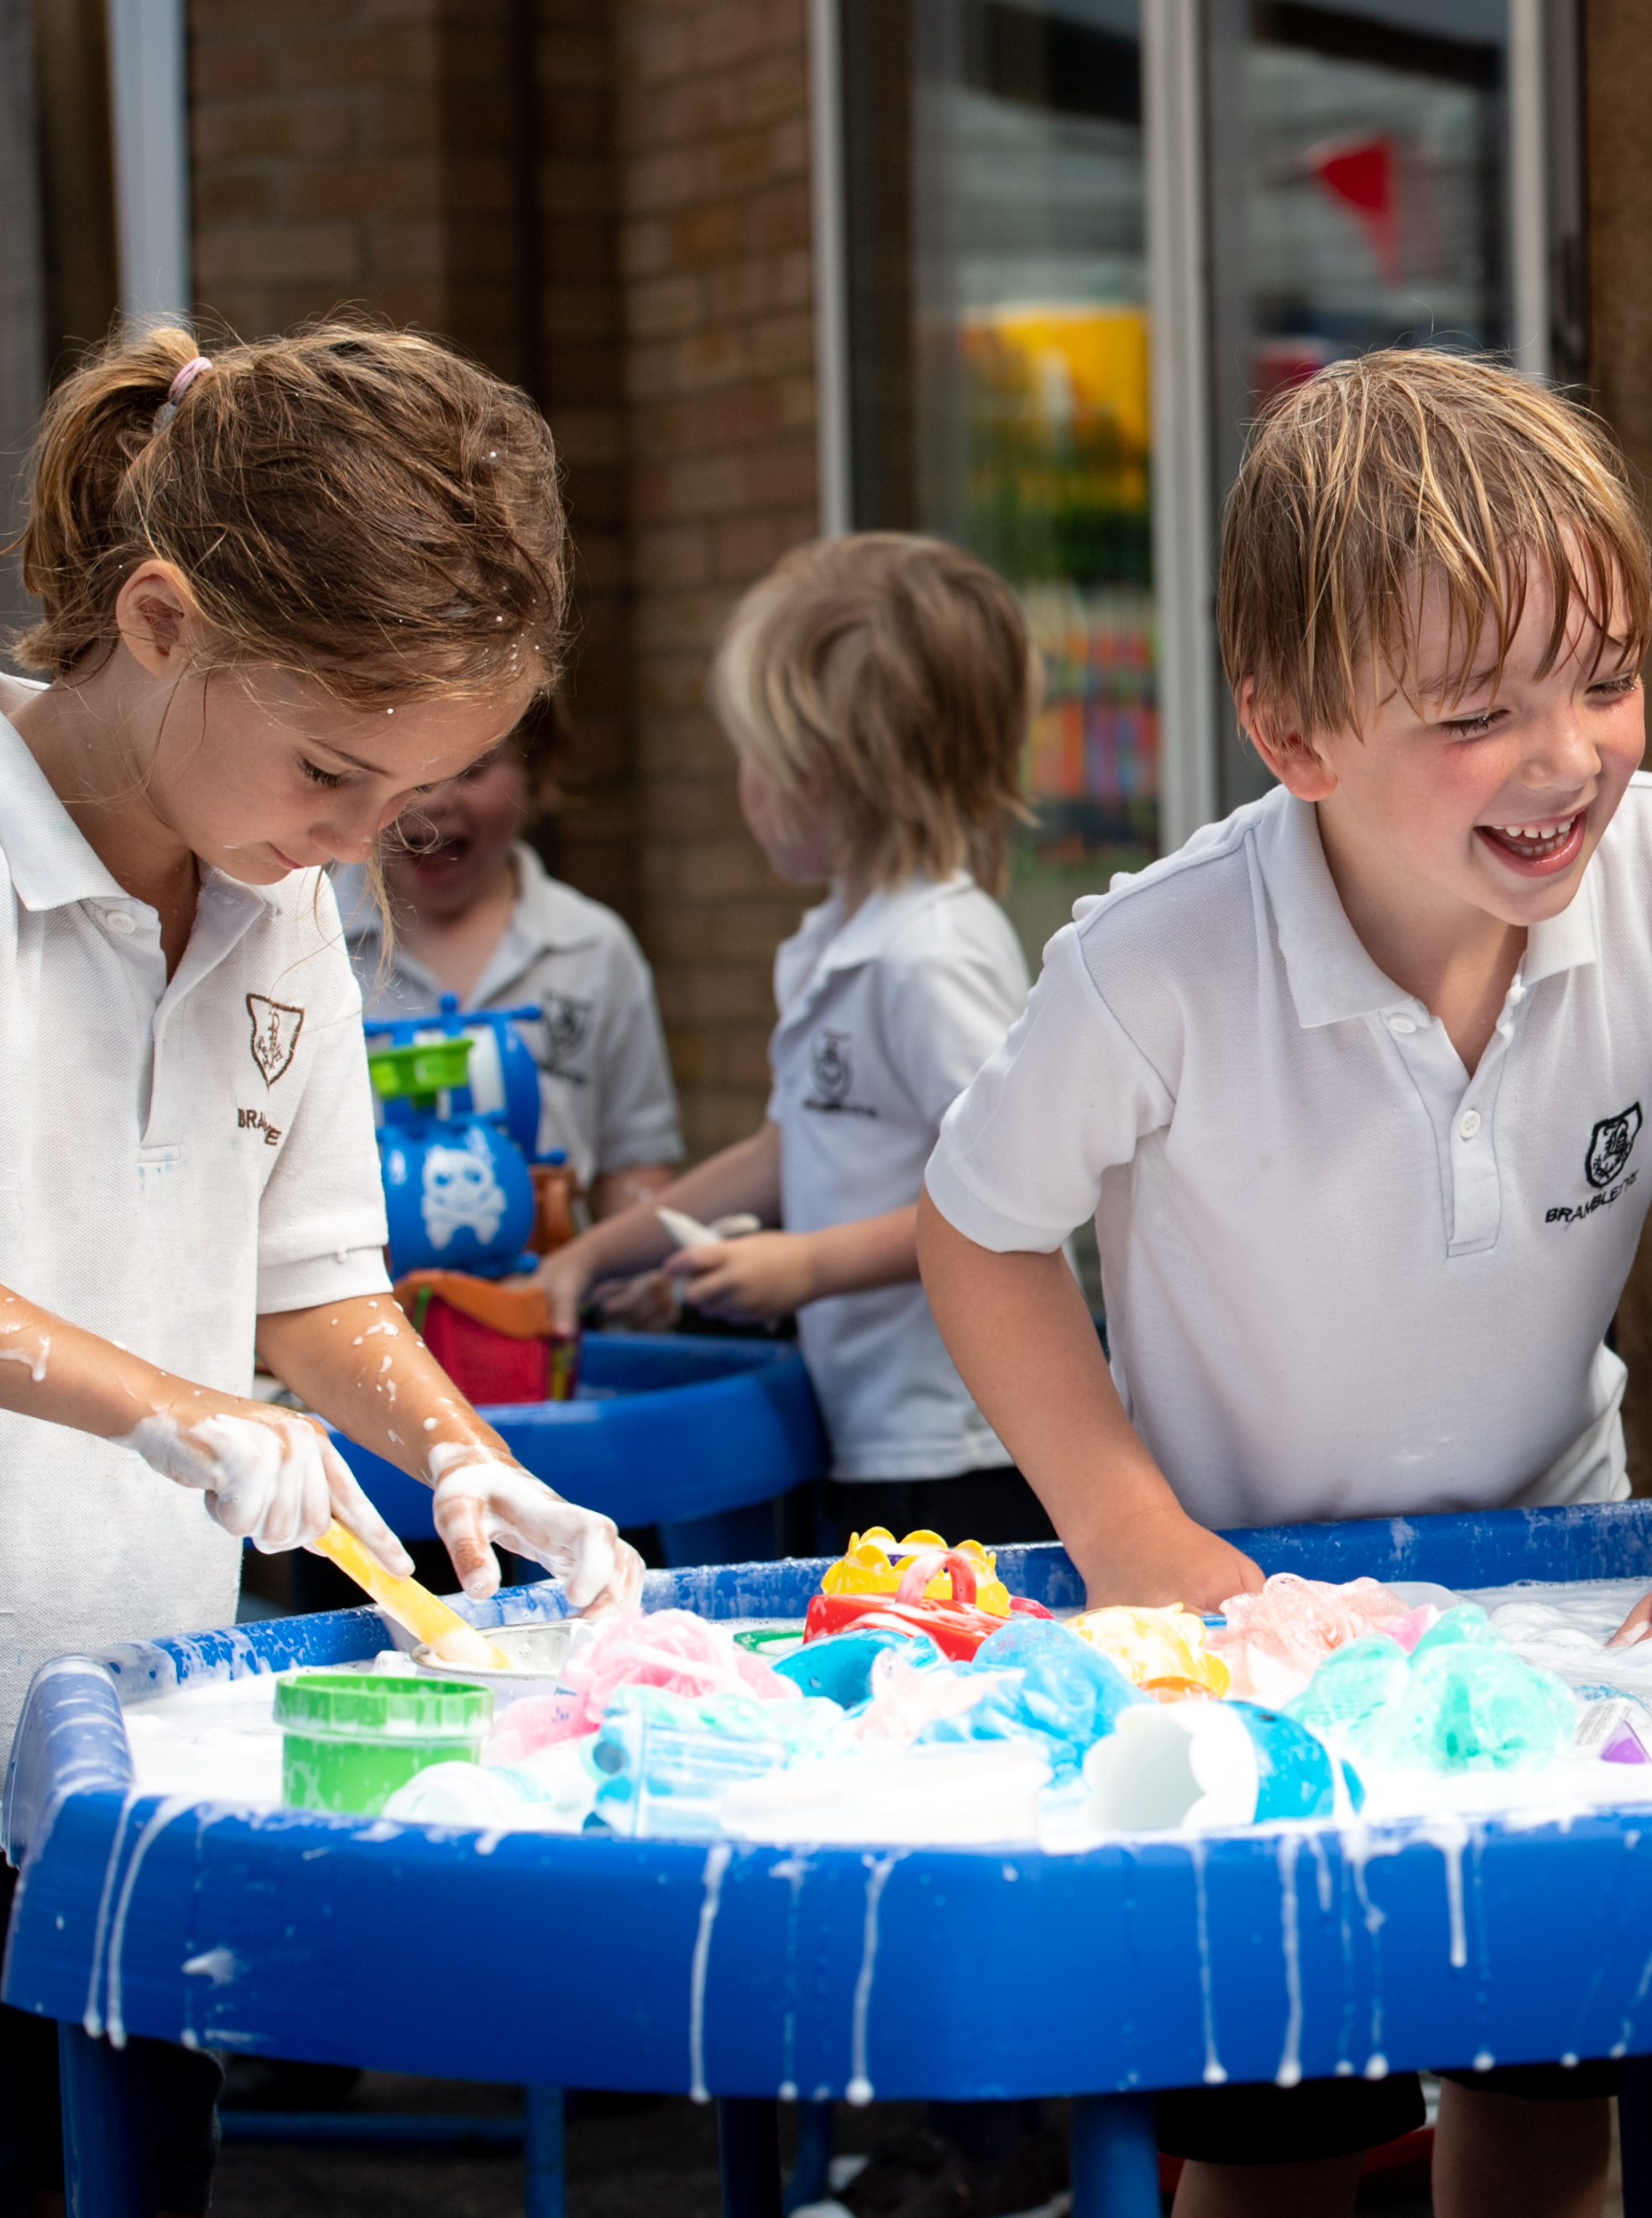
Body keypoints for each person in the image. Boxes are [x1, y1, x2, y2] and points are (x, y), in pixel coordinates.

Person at [917, 348, 1652, 2218]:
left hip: (1548, 1579)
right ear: (1293, 737)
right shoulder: (1160, 959)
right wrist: (1129, 1533)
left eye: (1605, 680)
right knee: (1272, 2141)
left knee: (1549, 2106)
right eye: (1476, 712)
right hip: (1249, 1617)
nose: (1566, 758)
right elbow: (978, 1229)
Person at [0, 320, 646, 2216]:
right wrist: (173, 1406)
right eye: (337, 774)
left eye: (413, 799)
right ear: (161, 618)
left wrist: (462, 1451)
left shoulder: (277, 894)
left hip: (113, 1764)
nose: (366, 845)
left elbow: (314, 1278)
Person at [528, 534, 1038, 1551]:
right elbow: (782, 1153)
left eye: (759, 759)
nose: (743, 787)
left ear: (837, 775)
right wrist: (596, 1252)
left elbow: (1015, 1198)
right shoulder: (834, 947)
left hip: (965, 1441)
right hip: (868, 1427)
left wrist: (808, 1266)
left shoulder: (928, 957)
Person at [344, 698, 683, 1227]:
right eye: (404, 768)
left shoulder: (592, 947)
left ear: (537, 769)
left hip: (551, 1298)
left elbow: (636, 1157)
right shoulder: (307, 944)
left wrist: (637, 1277)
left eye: (470, 769)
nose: (433, 803)